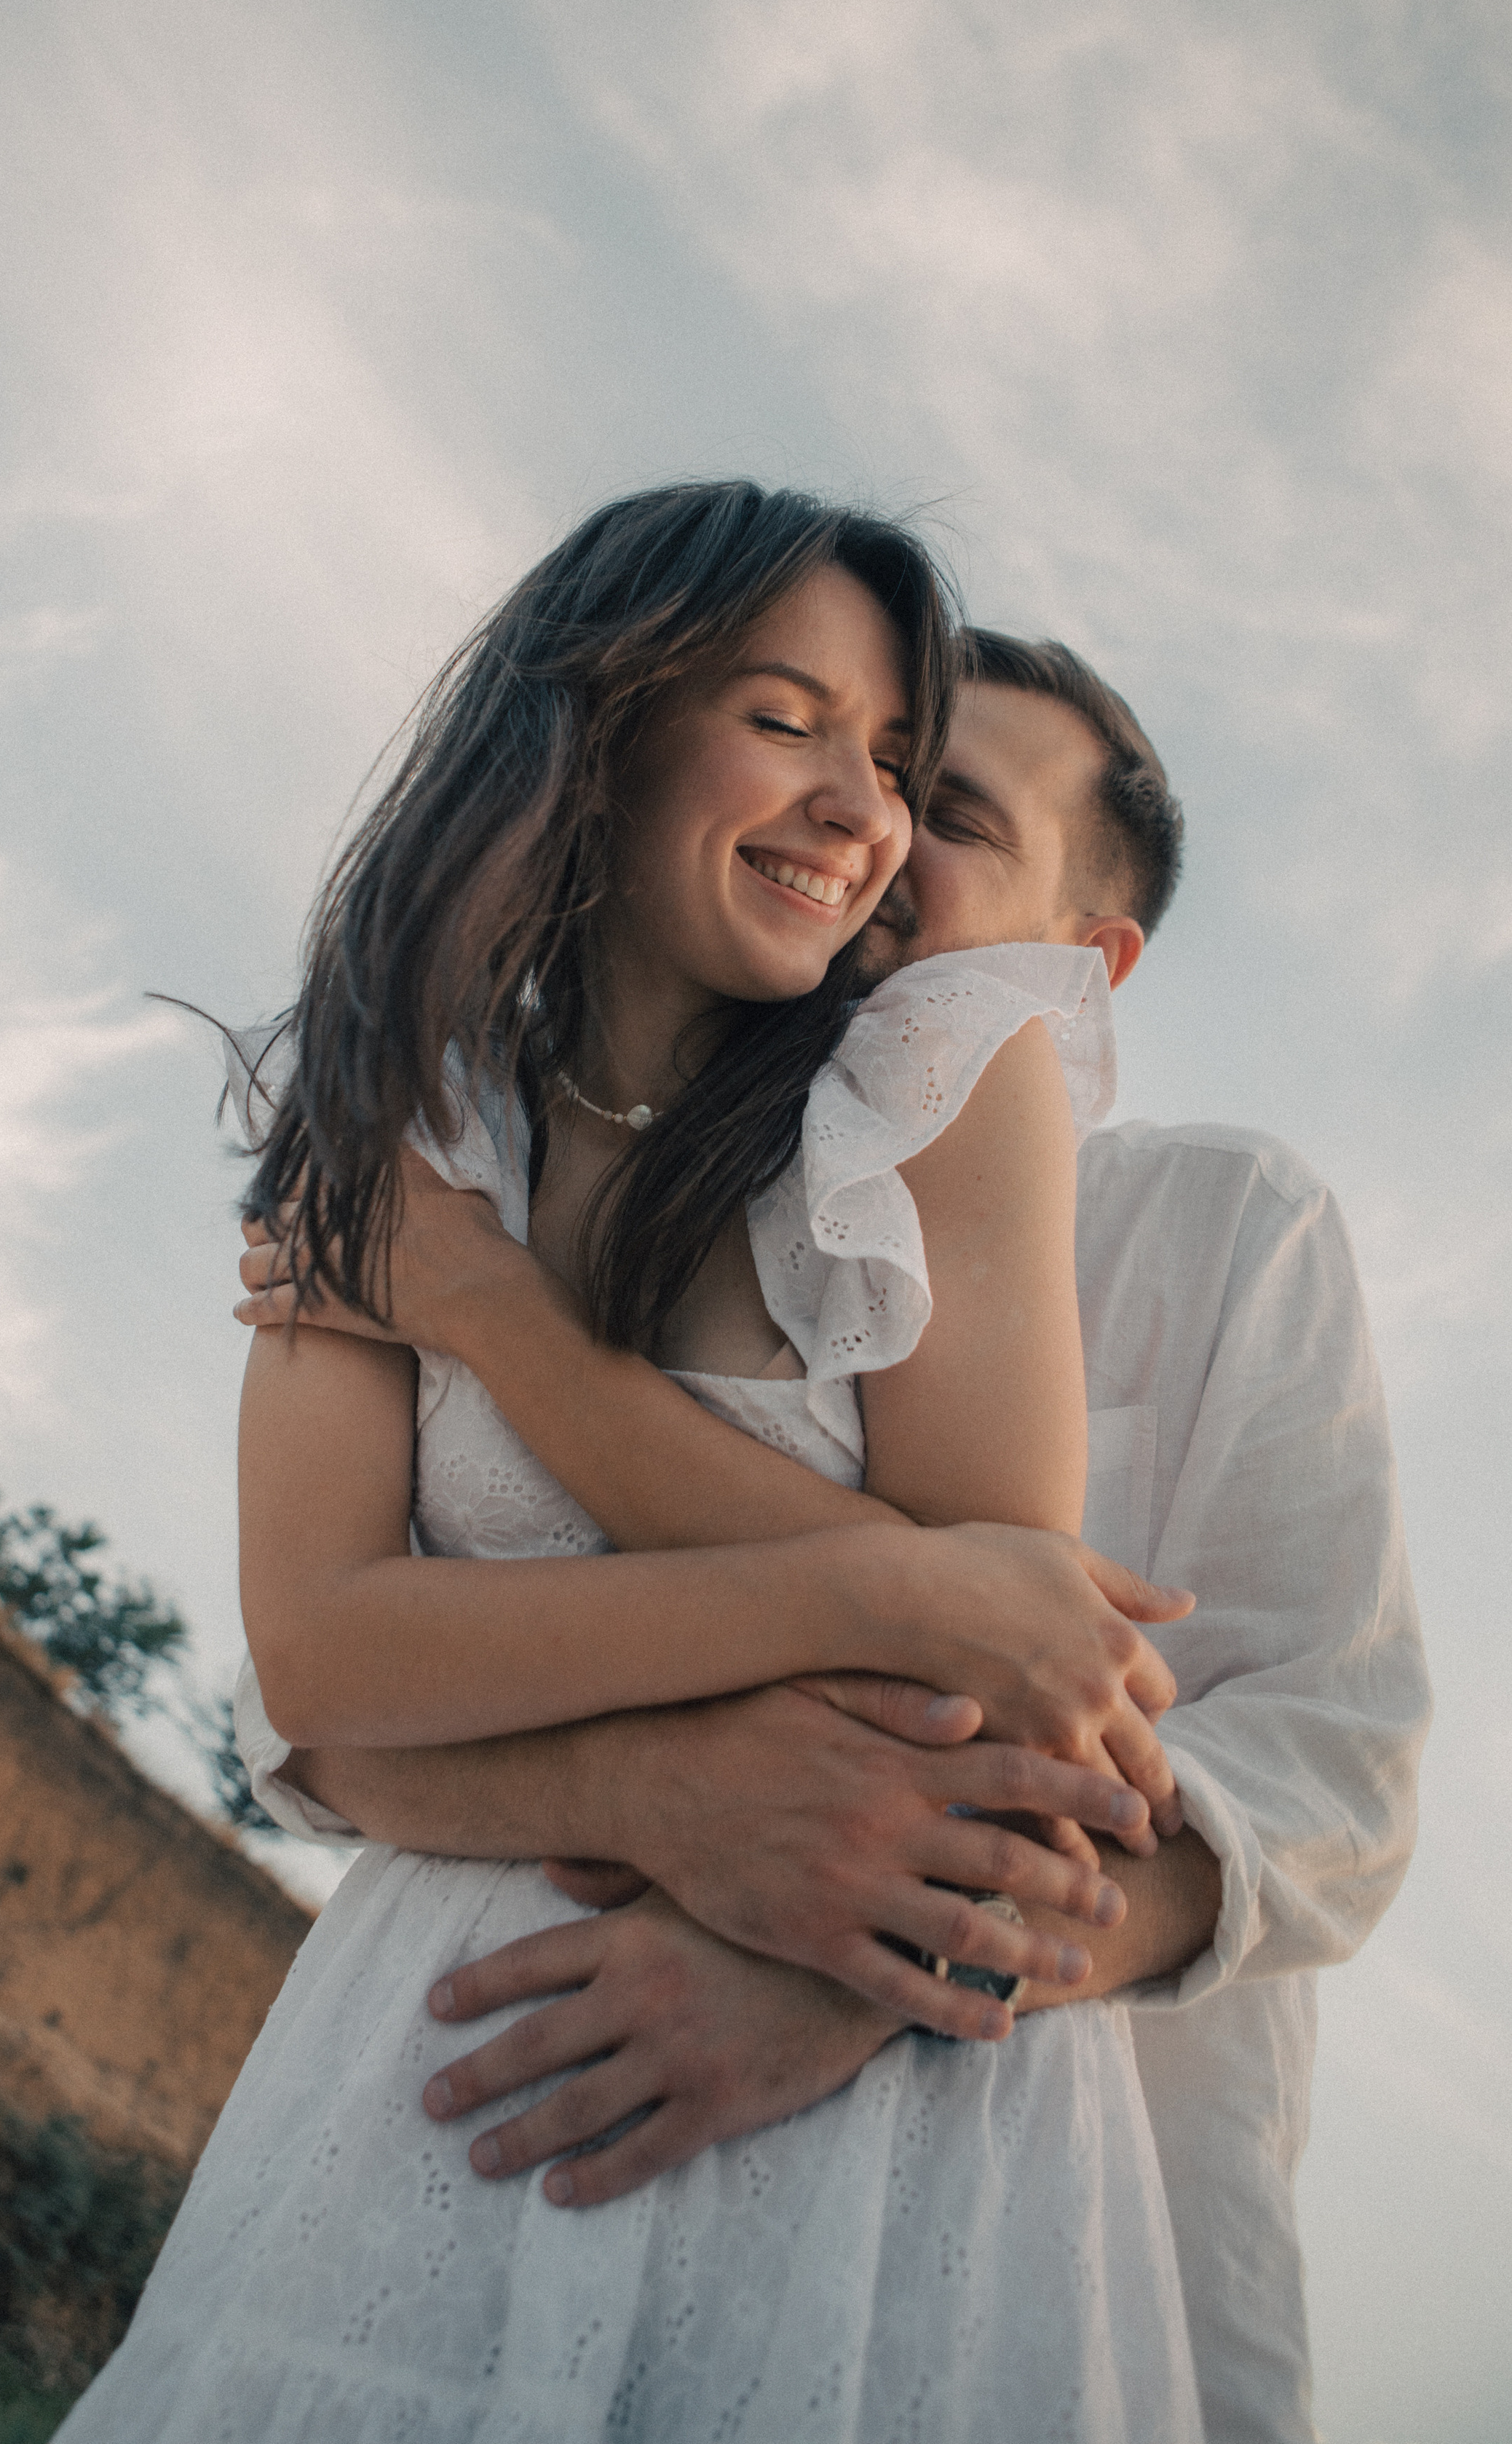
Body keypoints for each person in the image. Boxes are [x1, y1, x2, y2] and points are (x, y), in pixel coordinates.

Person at [60, 485, 1208, 2442]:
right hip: (452, 2074)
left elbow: (991, 1694)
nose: (869, 809)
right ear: (603, 722)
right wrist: (883, 1581)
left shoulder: (945, 1075)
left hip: (869, 2142)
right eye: (789, 717)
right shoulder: (394, 1115)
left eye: (903, 762)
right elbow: (329, 1659)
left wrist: (498, 1323)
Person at [237, 628, 1432, 2444]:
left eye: (943, 804)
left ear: (1086, 958)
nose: (868, 826)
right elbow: (323, 1709)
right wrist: (649, 1794)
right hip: (517, 2062)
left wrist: (864, 1970)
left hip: (993, 2157)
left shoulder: (1218, 1223)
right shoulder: (611, 1150)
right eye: (863, 766)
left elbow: (1326, 1773)